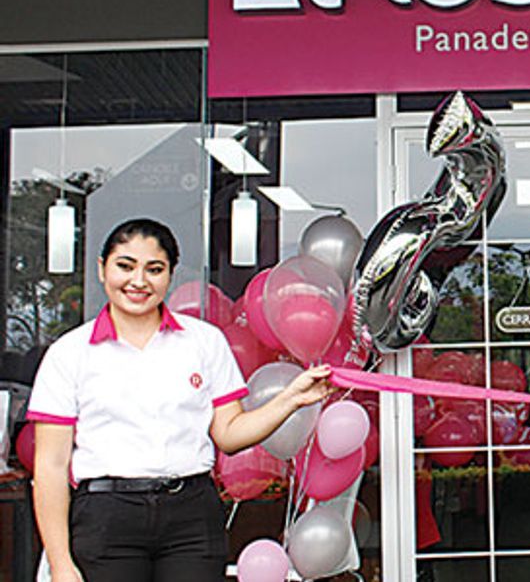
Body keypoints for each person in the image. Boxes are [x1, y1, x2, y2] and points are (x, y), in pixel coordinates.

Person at [27, 218, 333, 582]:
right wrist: (61, 564)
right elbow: (50, 466)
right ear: (101, 268)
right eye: (125, 266)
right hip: (107, 516)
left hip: (190, 515)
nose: (138, 281)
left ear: (170, 274)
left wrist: (291, 399)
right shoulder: (70, 353)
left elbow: (230, 434)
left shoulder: (204, 342)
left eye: (154, 269)